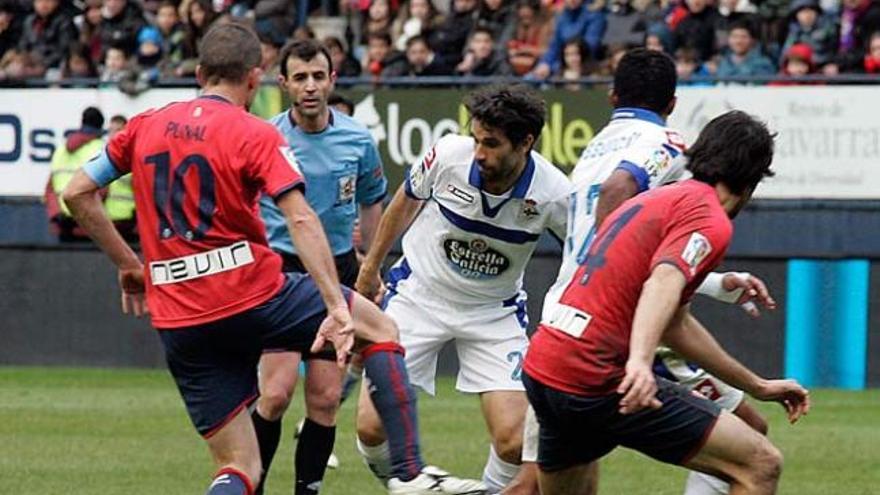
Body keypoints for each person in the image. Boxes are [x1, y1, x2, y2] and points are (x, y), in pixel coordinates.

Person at [61, 21, 485, 495]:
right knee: (379, 328)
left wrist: (129, 266)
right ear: (255, 79)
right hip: (251, 288)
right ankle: (409, 473)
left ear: (199, 72)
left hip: (177, 312)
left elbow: (77, 193)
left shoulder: (144, 125)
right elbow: (302, 220)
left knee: (240, 466)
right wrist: (336, 306)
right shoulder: (255, 132)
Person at [516, 47, 779, 495]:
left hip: (549, 351)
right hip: (601, 358)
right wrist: (639, 360)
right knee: (759, 463)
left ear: (612, 95)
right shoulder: (687, 186)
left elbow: (665, 297)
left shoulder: (613, 166)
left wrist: (757, 383)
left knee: (538, 487)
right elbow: (661, 280)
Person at [354, 85, 572, 495]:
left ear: (526, 142)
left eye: (491, 144)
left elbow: (580, 254)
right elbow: (405, 200)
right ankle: (408, 485)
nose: (479, 153)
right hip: (418, 296)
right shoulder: (448, 155)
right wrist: (370, 269)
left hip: (495, 312)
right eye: (476, 139)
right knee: (371, 426)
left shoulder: (555, 193)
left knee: (513, 442)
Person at [252, 39, 389, 495]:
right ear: (284, 83)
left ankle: (306, 490)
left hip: (339, 268)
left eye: (318, 76)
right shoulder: (266, 137)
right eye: (300, 78)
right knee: (274, 395)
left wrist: (370, 264)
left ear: (332, 80)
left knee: (326, 399)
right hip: (281, 272)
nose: (310, 87)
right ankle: (250, 482)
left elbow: (373, 203)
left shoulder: (358, 140)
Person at [45, 106, 106, 242]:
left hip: (63, 223)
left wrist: (56, 214)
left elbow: (50, 188)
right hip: (88, 225)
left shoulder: (60, 149)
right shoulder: (100, 148)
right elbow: (103, 191)